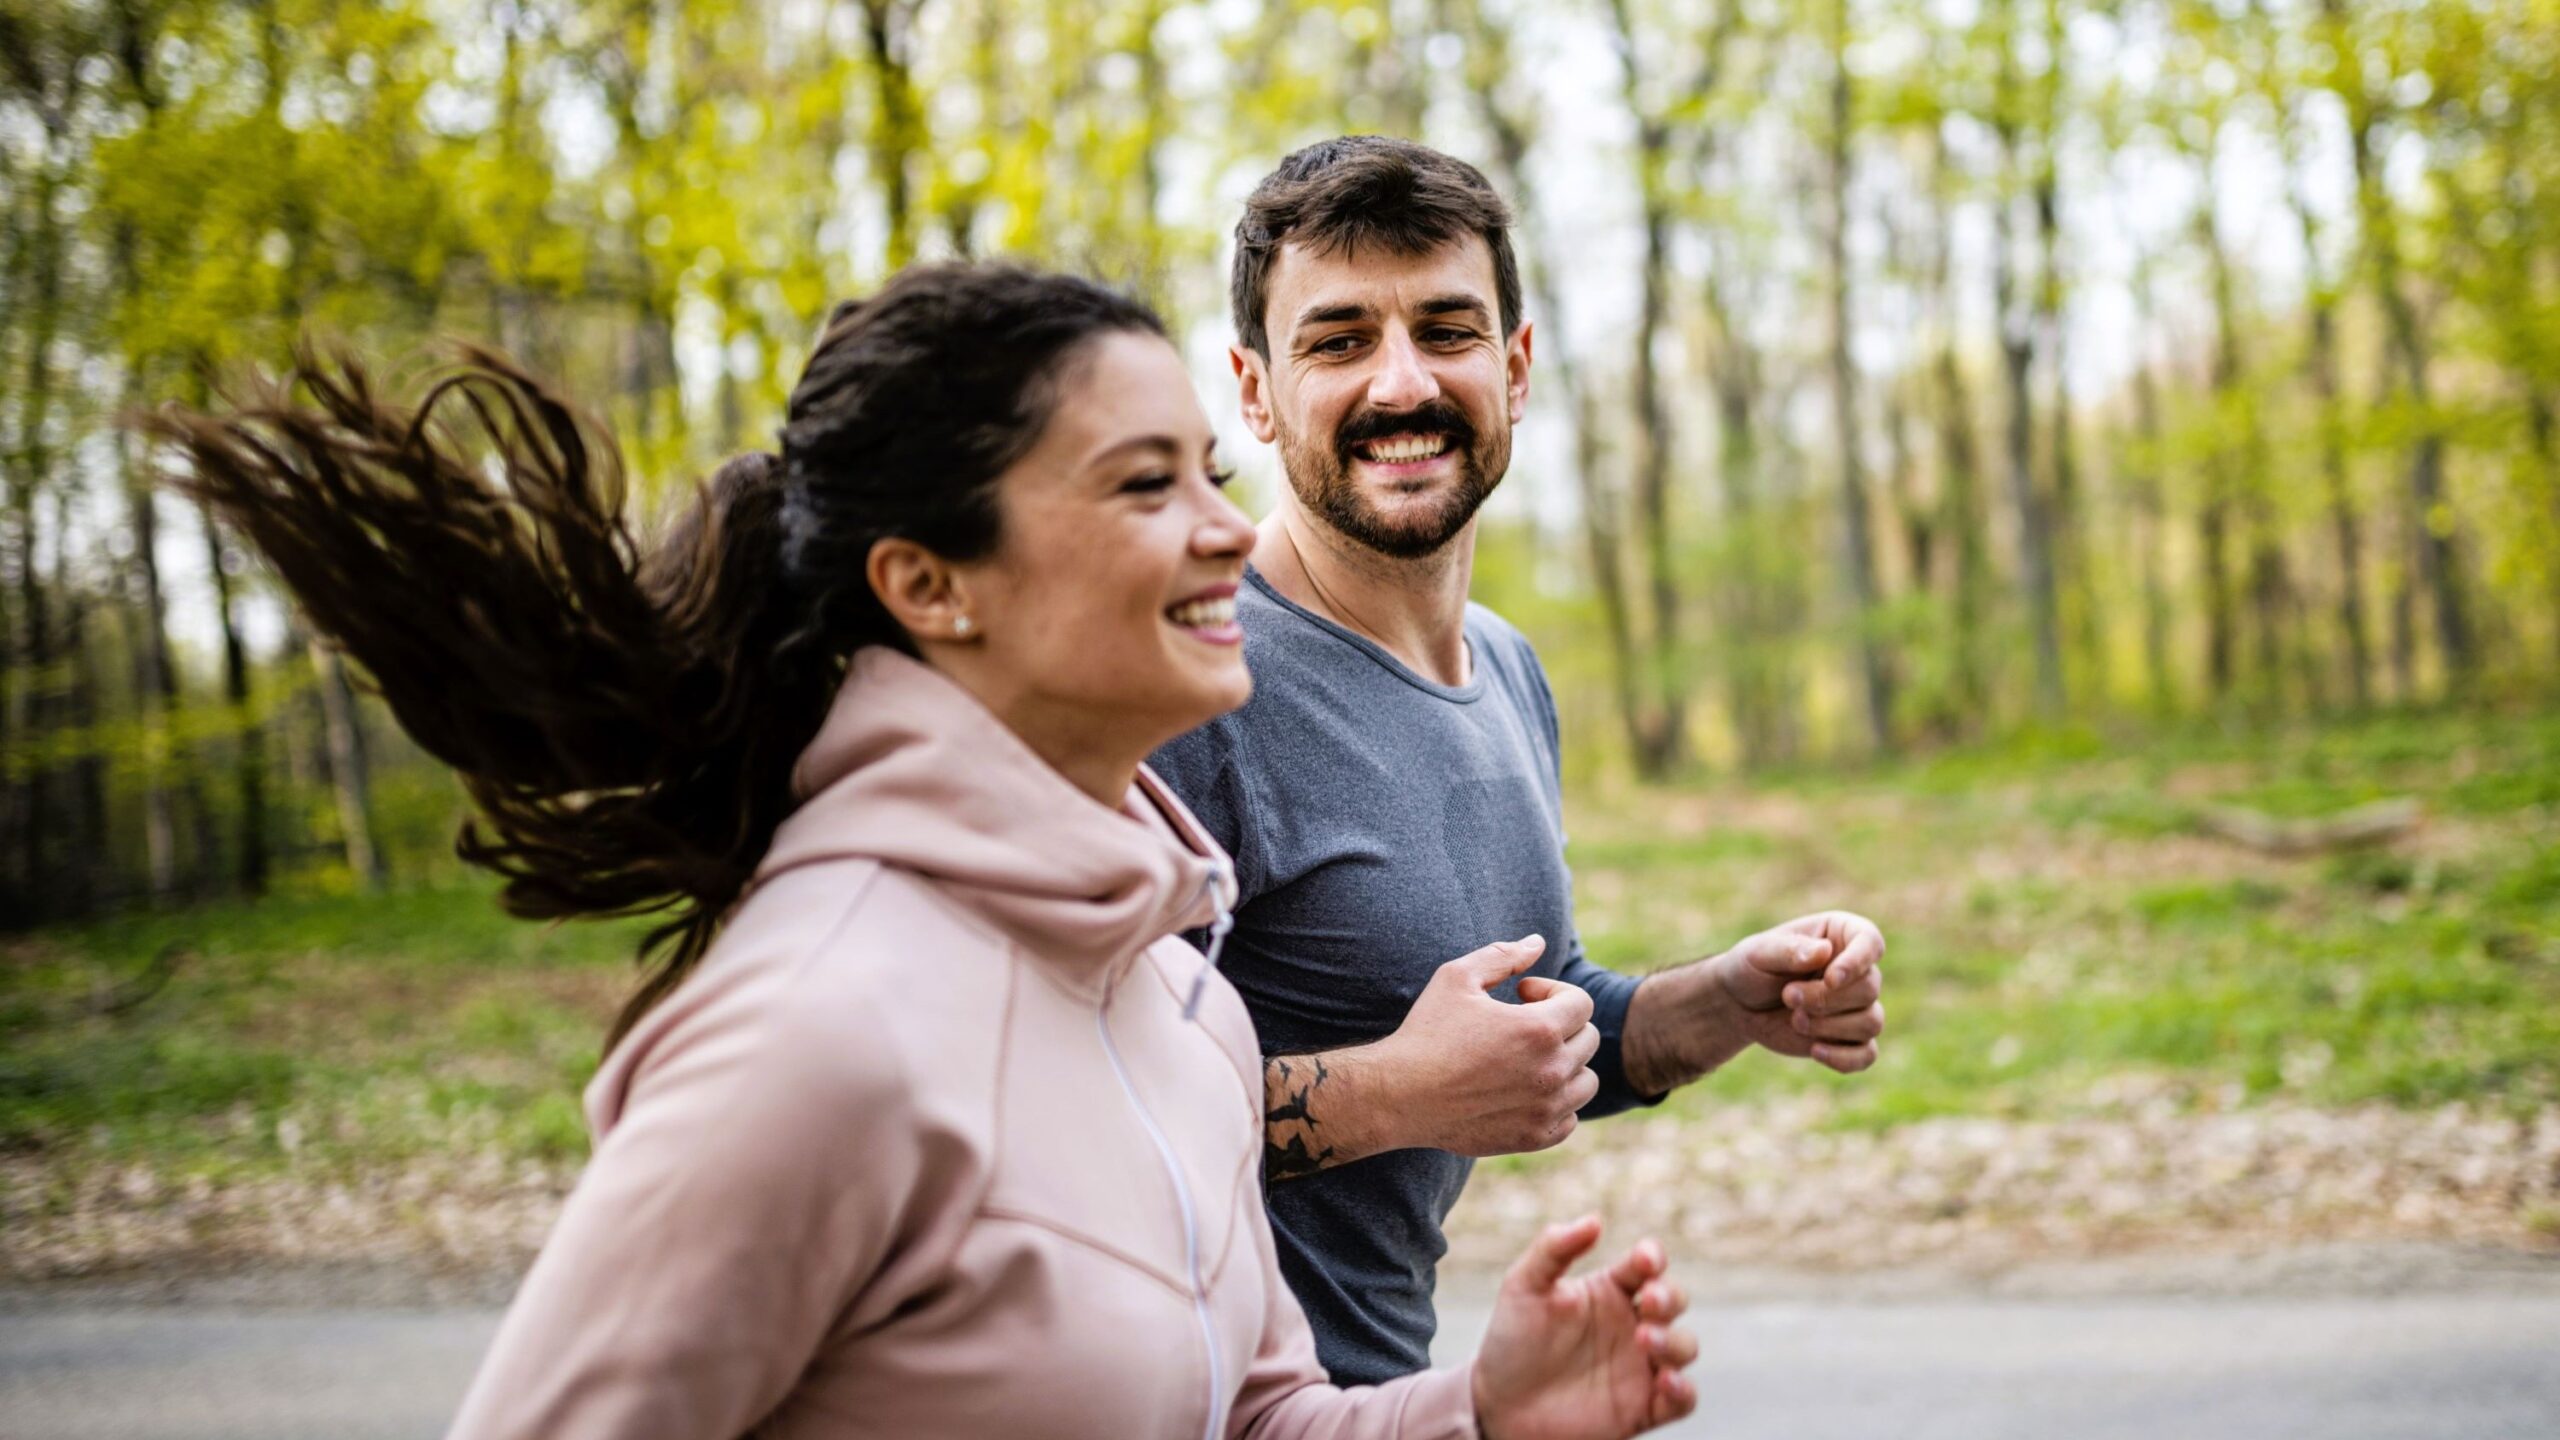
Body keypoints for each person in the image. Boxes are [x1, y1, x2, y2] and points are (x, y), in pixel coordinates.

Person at [150, 263, 1700, 1439]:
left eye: (1208, 477)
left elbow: (1251, 1417)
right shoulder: (818, 1029)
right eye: (1145, 485)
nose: (1229, 531)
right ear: (931, 585)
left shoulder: (1178, 1002)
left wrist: (1470, 1413)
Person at [1148, 136, 1890, 1386]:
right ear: (1256, 391)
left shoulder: (1507, 668)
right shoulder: (1191, 682)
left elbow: (1523, 1027)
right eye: (1337, 341)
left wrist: (1722, 1002)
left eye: (1446, 329)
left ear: (1516, 364)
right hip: (1195, 1398)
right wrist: (1390, 1097)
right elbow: (1067, 1103)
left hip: (1383, 1397)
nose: (1401, 385)